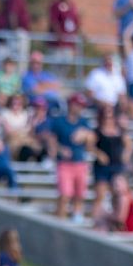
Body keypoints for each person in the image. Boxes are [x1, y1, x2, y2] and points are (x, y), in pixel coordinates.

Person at [46, 93, 93, 221]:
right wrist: (60, 150)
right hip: (65, 164)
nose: (80, 108)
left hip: (80, 163)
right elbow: (52, 140)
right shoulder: (60, 121)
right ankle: (60, 221)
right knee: (64, 195)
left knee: (79, 195)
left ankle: (77, 218)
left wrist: (85, 135)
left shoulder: (84, 122)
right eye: (78, 105)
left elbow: (91, 140)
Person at [90, 104, 132, 231]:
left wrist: (126, 155)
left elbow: (128, 144)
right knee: (100, 195)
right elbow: (90, 146)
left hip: (116, 165)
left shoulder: (119, 131)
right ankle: (97, 223)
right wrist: (99, 154)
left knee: (119, 193)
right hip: (102, 167)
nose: (108, 119)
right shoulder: (97, 131)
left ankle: (117, 221)